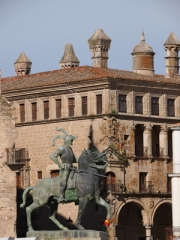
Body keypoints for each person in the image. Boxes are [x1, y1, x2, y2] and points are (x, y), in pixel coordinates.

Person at [50, 127, 77, 203]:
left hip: (71, 168)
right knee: (64, 181)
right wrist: (60, 164)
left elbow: (74, 159)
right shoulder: (62, 148)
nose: (72, 142)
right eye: (71, 140)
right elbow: (53, 156)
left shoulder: (70, 149)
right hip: (65, 169)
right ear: (68, 141)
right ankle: (61, 196)